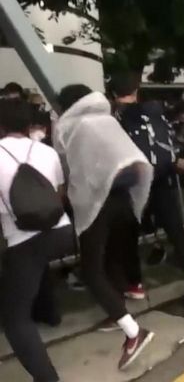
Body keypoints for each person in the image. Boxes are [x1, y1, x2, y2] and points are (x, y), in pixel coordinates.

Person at [54, 85, 155, 370]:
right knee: (113, 257)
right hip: (124, 200)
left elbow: (68, 168)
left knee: (92, 270)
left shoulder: (71, 126)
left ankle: (134, 332)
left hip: (97, 204)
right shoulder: (108, 120)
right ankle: (117, 310)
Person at [109, 73, 184, 313]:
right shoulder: (156, 113)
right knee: (178, 234)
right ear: (136, 91)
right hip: (163, 180)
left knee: (128, 236)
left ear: (113, 95)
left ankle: (135, 284)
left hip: (133, 185)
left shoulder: (115, 120)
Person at [0, 99, 74, 382]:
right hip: (61, 232)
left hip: (23, 238)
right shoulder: (46, 151)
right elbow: (59, 193)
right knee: (34, 272)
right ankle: (50, 312)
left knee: (15, 319)